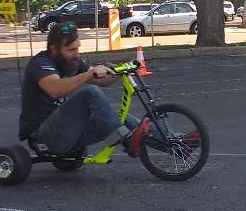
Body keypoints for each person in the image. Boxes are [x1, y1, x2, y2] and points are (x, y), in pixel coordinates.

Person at [18, 21, 151, 157]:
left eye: (77, 48)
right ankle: (126, 142)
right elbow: (55, 89)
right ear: (54, 49)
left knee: (119, 118)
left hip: (68, 132)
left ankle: (170, 144)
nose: (76, 54)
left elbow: (102, 80)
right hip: (45, 136)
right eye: (71, 50)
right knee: (90, 92)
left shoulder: (71, 61)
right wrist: (87, 75)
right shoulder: (40, 63)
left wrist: (121, 70)